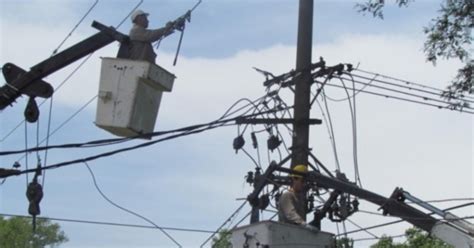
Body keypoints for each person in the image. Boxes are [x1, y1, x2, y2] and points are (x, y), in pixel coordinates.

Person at [278, 164, 317, 231]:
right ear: (294, 179)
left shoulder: (299, 199)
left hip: (295, 233)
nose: (304, 184)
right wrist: (304, 224)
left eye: (305, 182)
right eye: (302, 181)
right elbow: (290, 214)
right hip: (284, 232)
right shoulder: (287, 195)